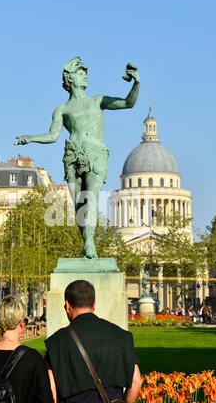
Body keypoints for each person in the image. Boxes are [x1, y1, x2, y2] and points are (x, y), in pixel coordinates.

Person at [15, 57, 140, 258]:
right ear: (70, 78)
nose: (86, 77)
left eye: (86, 74)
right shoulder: (62, 110)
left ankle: (89, 242)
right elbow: (53, 136)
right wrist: (30, 138)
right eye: (81, 73)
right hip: (72, 155)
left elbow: (128, 103)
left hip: (95, 154)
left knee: (91, 198)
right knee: (79, 205)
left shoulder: (97, 101)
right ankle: (86, 242)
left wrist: (136, 83)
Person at [44, 280, 142, 403]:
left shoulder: (56, 342)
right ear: (94, 305)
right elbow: (136, 382)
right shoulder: (121, 336)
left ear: (67, 306)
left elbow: (51, 393)